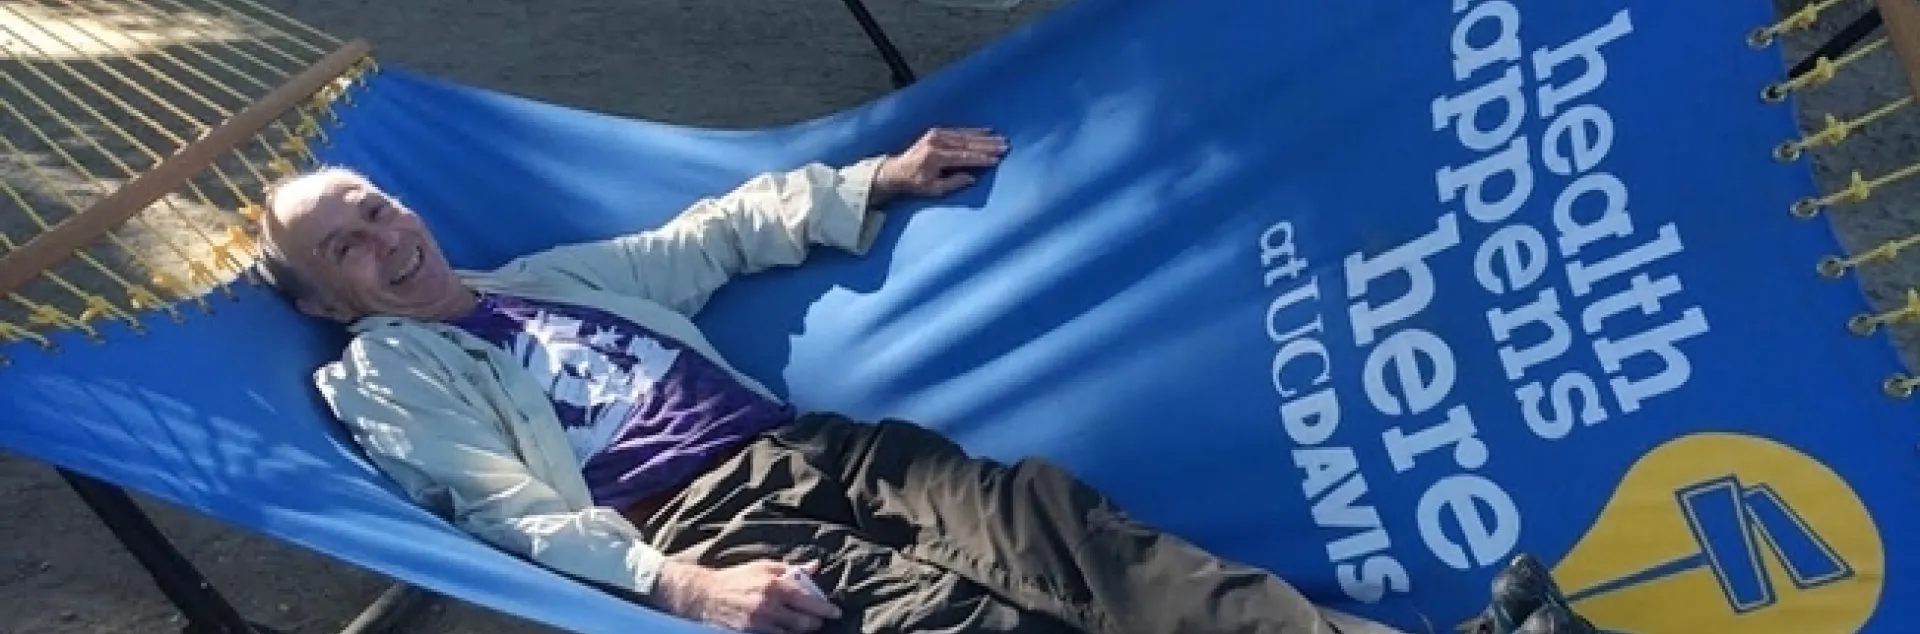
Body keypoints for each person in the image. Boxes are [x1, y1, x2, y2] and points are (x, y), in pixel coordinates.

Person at [257, 126, 1598, 634]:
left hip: (818, 445)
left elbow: (705, 238)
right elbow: (504, 509)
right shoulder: (385, 370)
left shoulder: (539, 275)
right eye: (345, 247)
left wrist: (870, 181)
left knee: (1079, 538)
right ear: (325, 299)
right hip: (702, 522)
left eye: (374, 205)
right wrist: (677, 584)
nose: (384, 236)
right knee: (959, 627)